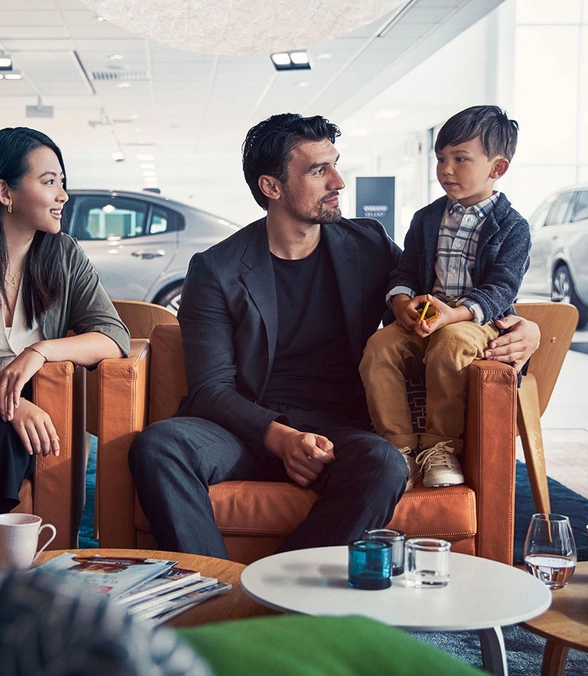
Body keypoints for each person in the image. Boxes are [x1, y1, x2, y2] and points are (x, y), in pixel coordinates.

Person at [128, 113, 540, 559]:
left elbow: (439, 301)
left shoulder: (366, 245)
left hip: (341, 431)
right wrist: (281, 438)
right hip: (245, 430)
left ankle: (279, 591)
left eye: (335, 165)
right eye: (319, 170)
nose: (339, 181)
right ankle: (214, 592)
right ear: (272, 187)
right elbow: (211, 389)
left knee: (384, 465)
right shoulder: (217, 269)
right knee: (159, 446)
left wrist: (524, 330)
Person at [359, 105, 531, 491]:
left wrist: (453, 315)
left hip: (474, 323)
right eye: (440, 159)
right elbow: (404, 271)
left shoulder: (513, 227)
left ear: (497, 168)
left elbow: (501, 288)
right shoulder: (426, 218)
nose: (446, 169)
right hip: (423, 316)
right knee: (379, 347)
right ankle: (397, 447)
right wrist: (401, 303)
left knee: (450, 346)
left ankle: (441, 447)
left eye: (460, 159)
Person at [0, 127, 129, 514]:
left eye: (62, 182)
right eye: (49, 182)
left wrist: (40, 351)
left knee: (13, 437)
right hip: (13, 411)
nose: (63, 195)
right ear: (5, 192)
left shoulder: (64, 254)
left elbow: (113, 335)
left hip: (32, 403)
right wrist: (8, 402)